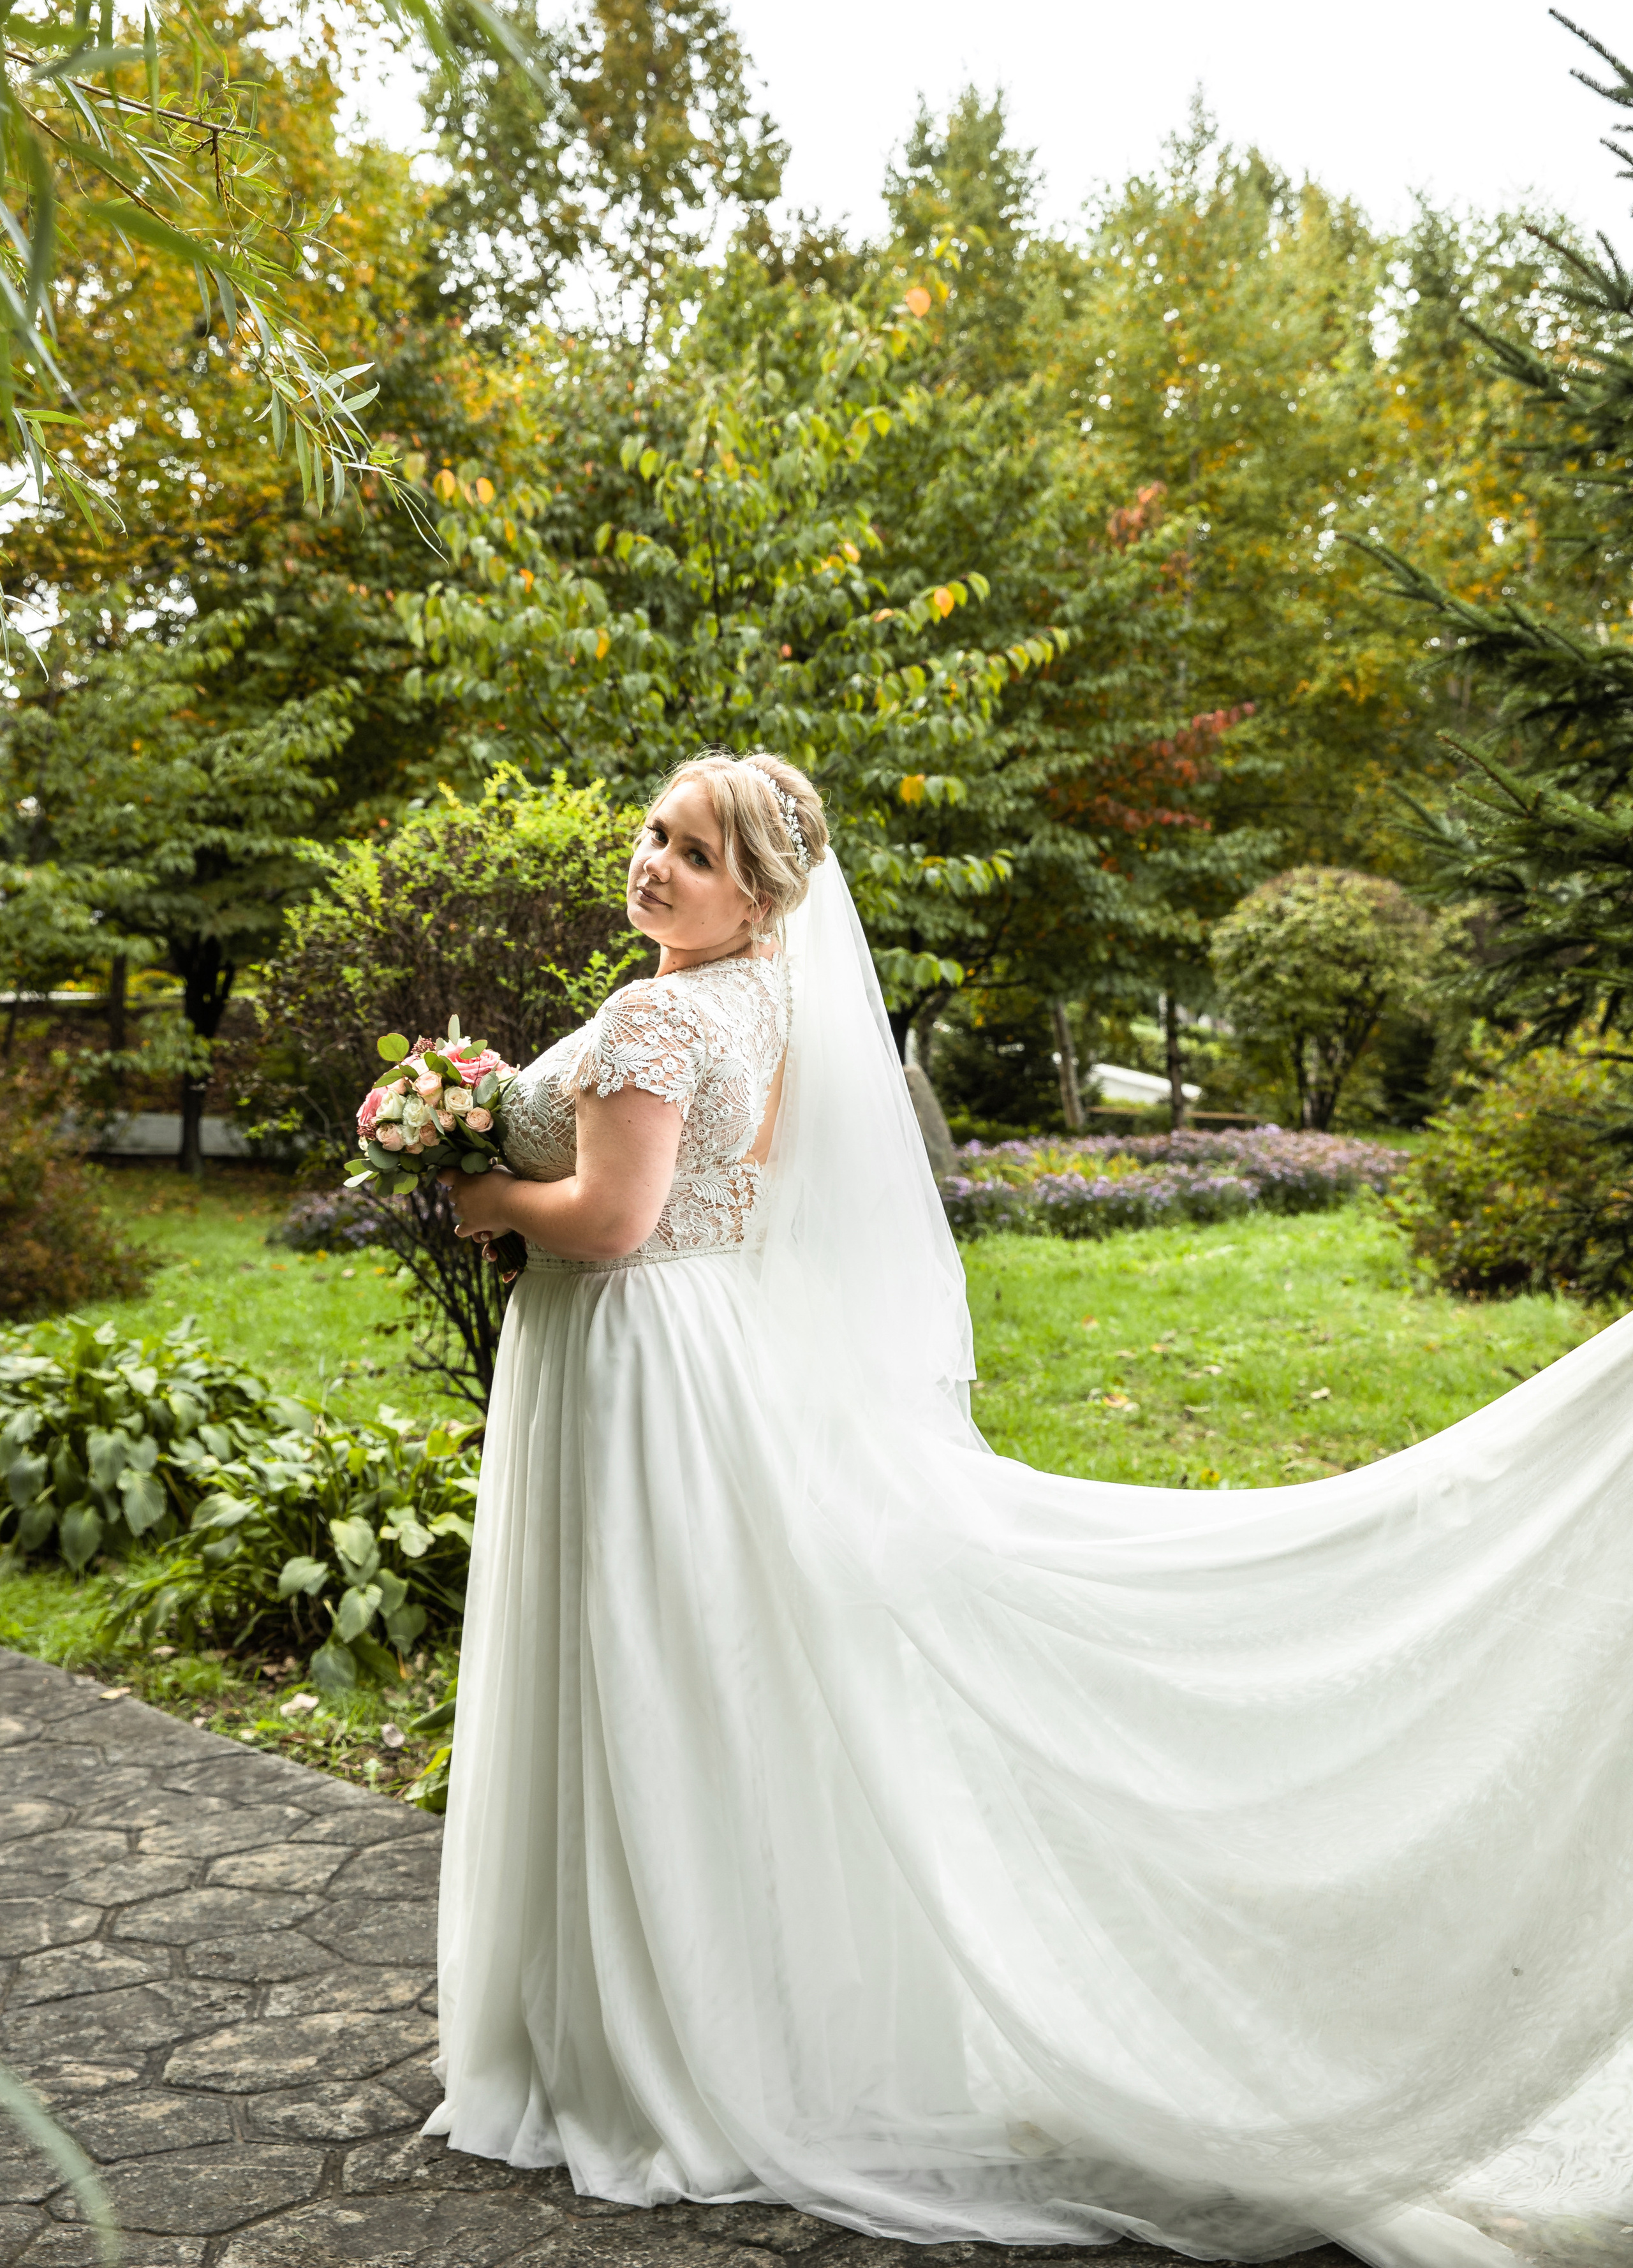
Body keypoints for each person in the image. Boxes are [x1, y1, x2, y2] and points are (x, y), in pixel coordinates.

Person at [429, 748, 1633, 2268]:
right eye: (655, 832)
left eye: (697, 854)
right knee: (697, 1676)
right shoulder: (770, 1003)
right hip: (704, 1353)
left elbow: (611, 1220)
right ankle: (720, 2006)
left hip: (639, 1359)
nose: (654, 863)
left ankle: (641, 2039)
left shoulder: (667, 1007)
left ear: (757, 895)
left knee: (643, 1679)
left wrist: (487, 1196)